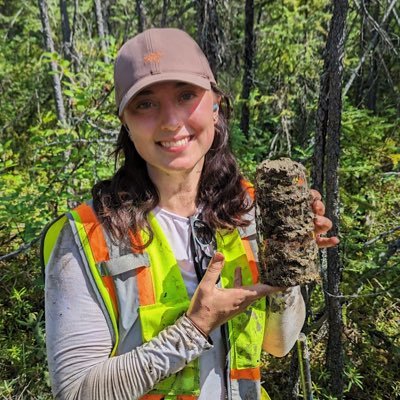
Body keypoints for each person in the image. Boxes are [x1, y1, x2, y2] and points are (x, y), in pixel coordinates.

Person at [42, 28, 339, 400]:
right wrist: (194, 328)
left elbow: (278, 344)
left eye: (186, 96)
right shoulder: (88, 238)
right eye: (146, 104)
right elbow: (75, 393)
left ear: (216, 105)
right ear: (125, 121)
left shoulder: (248, 211)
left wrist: (289, 261)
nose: (171, 121)